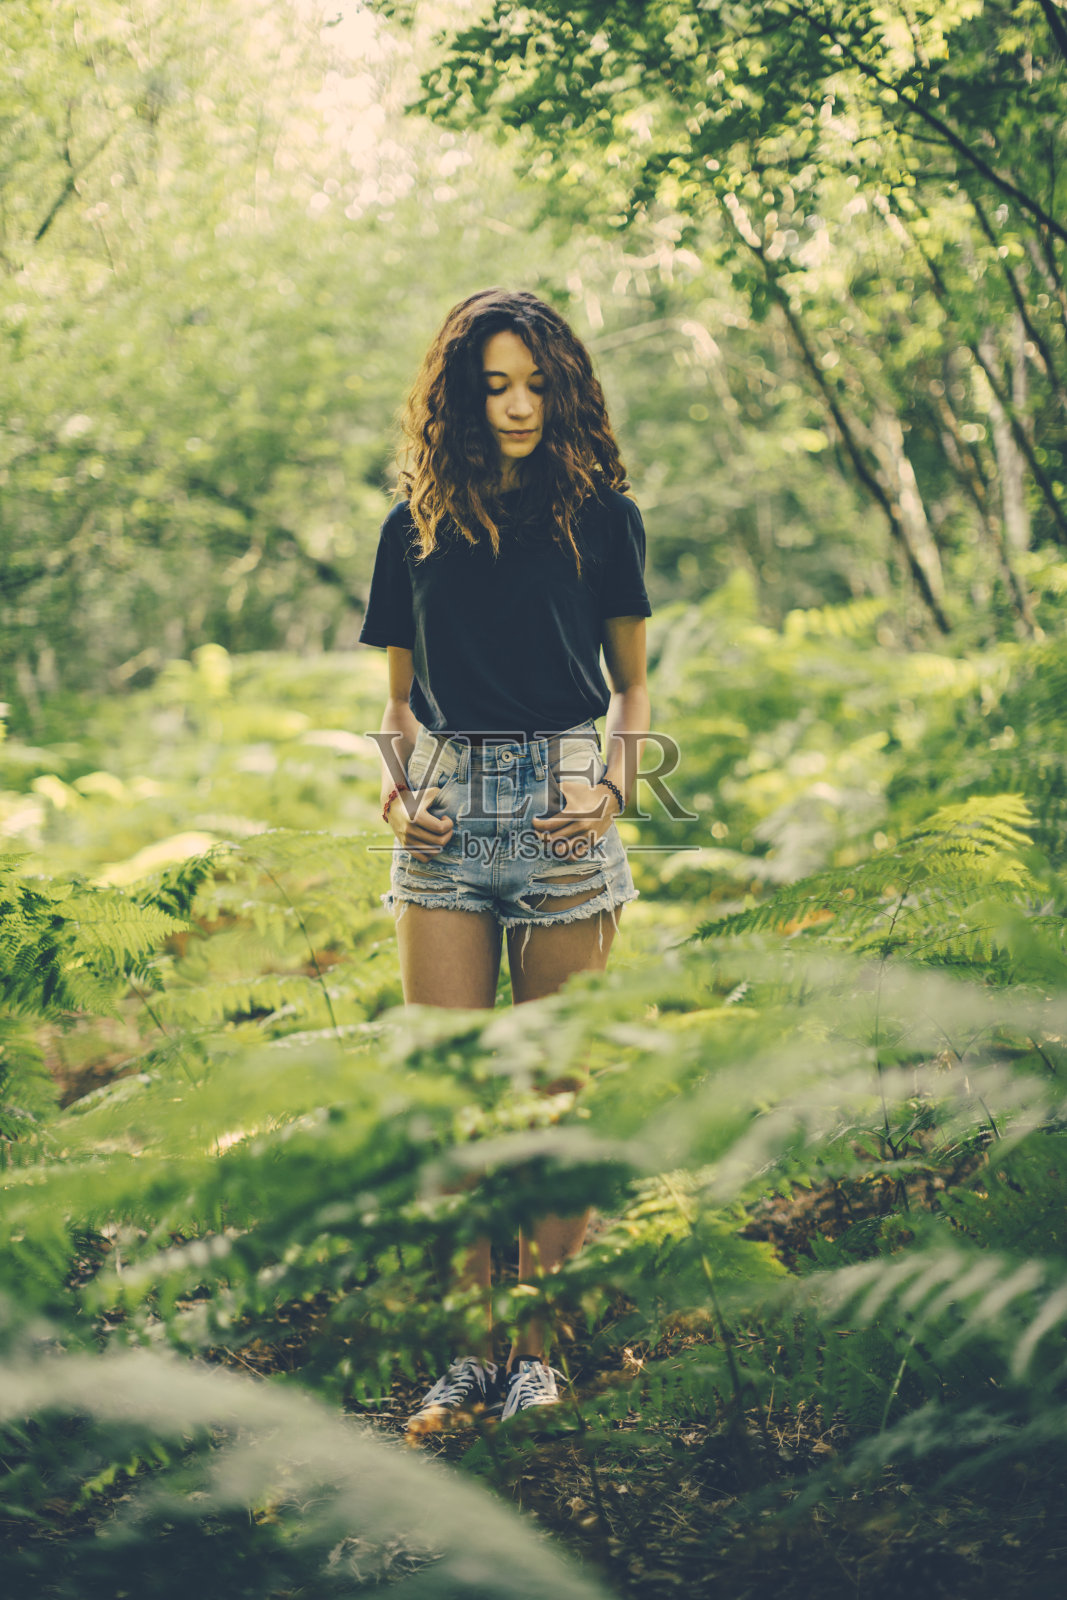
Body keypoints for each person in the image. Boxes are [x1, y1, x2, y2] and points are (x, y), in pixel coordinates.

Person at [358, 287, 652, 1433]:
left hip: (563, 807)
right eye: (494, 385)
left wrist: (614, 785)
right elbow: (393, 704)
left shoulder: (600, 518)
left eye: (535, 382)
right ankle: (467, 1356)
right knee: (451, 1102)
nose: (518, 404)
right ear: (459, 397)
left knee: (548, 1102)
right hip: (443, 816)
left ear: (563, 387)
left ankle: (537, 1350)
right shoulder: (411, 527)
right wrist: (392, 790)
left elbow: (630, 686)